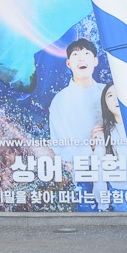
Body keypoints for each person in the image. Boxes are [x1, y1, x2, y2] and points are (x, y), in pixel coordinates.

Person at [49, 38, 106, 209]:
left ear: (95, 61)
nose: (81, 59)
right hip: (83, 174)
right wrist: (91, 148)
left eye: (87, 54)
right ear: (68, 63)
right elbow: (59, 147)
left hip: (115, 169)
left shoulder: (108, 93)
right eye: (76, 55)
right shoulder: (59, 100)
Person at [92, 84, 127, 211]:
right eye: (110, 96)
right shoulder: (103, 134)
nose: (115, 99)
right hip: (118, 195)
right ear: (105, 104)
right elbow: (99, 173)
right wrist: (103, 205)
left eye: (119, 93)